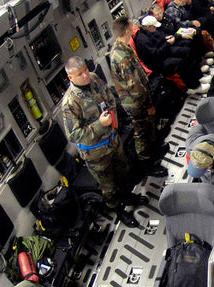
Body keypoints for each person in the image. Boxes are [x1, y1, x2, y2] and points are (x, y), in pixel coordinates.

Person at [61, 56, 147, 227]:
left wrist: (112, 116)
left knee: (123, 173)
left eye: (85, 69)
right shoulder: (70, 103)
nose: (86, 75)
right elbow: (75, 135)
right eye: (80, 74)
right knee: (108, 186)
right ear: (71, 78)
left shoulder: (93, 78)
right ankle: (119, 210)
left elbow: (109, 96)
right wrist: (100, 125)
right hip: (96, 154)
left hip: (113, 140)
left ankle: (128, 196)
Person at [108, 16, 158, 165]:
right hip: (136, 103)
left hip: (137, 99)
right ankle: (147, 163)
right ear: (128, 30)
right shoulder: (122, 56)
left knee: (148, 128)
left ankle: (153, 152)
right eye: (131, 25)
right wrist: (149, 104)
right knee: (142, 132)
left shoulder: (121, 48)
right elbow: (135, 87)